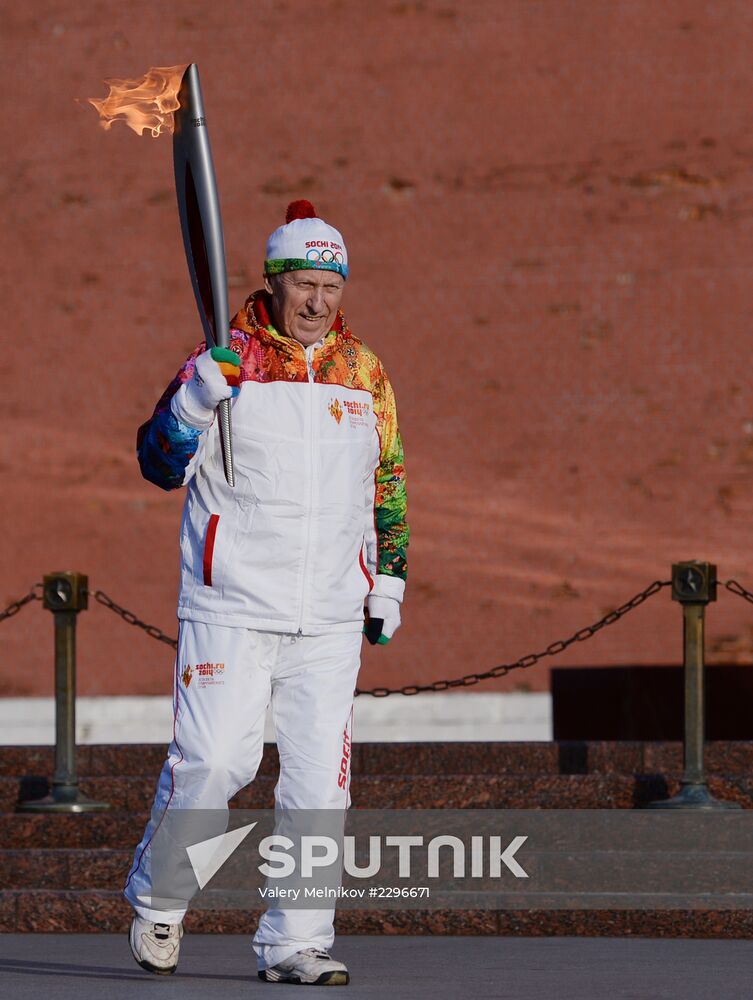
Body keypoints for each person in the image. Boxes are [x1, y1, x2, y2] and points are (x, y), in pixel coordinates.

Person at [122, 200, 409, 986]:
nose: (319, 302)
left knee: (321, 783)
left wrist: (388, 578)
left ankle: (295, 941)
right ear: (276, 282)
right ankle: (159, 897)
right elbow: (157, 462)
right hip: (232, 604)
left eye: (331, 286)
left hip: (327, 614)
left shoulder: (363, 373)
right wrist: (192, 403)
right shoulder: (225, 359)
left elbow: (386, 483)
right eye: (305, 284)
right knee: (216, 762)